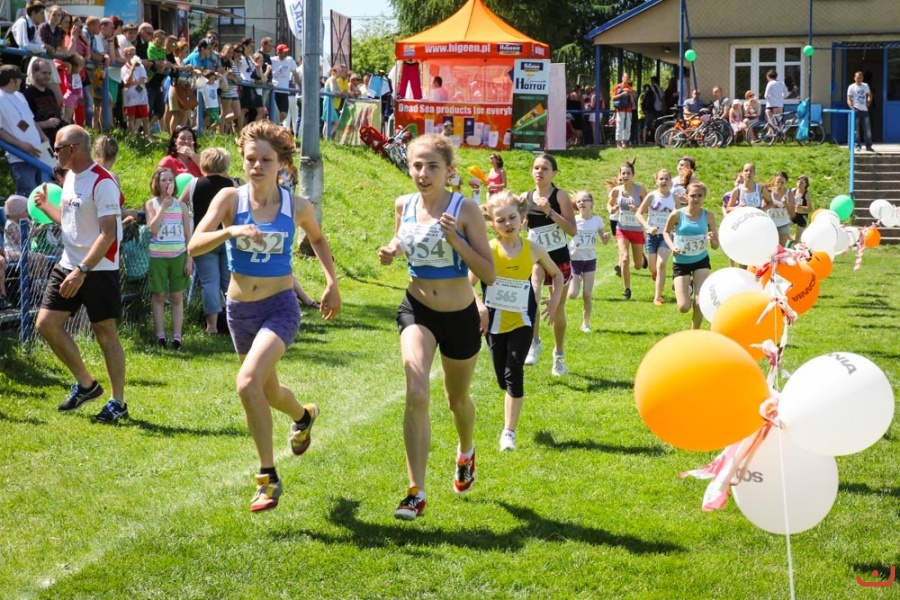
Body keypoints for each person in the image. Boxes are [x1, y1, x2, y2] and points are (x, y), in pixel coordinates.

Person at [188, 120, 341, 512]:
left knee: (246, 383)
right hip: (240, 311)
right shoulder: (229, 199)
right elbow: (195, 245)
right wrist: (231, 232)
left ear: (281, 164)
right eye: (251, 158)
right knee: (268, 392)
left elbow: (317, 238)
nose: (257, 166)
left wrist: (331, 282)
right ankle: (303, 416)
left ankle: (267, 477)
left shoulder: (297, 206)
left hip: (280, 308)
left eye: (266, 160)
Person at [376, 133, 494, 520]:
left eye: (432, 167)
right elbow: (401, 237)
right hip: (417, 309)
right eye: (417, 166)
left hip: (460, 316)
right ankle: (416, 491)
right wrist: (391, 251)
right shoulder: (404, 204)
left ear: (449, 171)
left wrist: (457, 240)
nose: (423, 174)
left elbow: (489, 273)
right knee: (416, 390)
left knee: (456, 400)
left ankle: (466, 451)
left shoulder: (466, 209)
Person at [32, 124, 127, 422]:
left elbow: (107, 234)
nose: (54, 153)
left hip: (98, 268)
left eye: (57, 148)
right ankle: (87, 384)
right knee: (46, 324)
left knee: (105, 333)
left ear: (72, 149)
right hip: (68, 264)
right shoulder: (71, 176)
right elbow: (70, 221)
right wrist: (46, 207)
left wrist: (83, 270)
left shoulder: (103, 182)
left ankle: (118, 403)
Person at [471, 191, 561, 452]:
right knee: (503, 379)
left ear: (522, 218)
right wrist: (480, 306)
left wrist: (554, 301)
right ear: (492, 224)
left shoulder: (533, 249)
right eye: (501, 220)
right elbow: (468, 283)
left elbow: (556, 274)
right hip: (494, 322)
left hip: (523, 318)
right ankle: (509, 405)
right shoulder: (488, 250)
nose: (508, 224)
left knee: (514, 373)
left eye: (512, 217)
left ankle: (508, 432)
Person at [523, 154, 576, 376]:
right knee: (533, 298)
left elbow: (572, 230)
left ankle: (559, 355)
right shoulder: (526, 197)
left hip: (559, 259)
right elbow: (520, 226)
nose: (539, 172)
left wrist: (550, 212)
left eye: (545, 168)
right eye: (536, 167)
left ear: (553, 173)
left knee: (557, 309)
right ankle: (534, 342)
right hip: (536, 258)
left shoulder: (559, 195)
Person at [179, 147, 234, 334]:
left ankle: (212, 326)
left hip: (203, 239)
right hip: (226, 237)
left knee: (209, 282)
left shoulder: (194, 183)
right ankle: (234, 321)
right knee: (229, 282)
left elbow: (180, 204)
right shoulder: (232, 185)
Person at [145, 168, 192, 349]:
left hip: (178, 255)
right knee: (159, 295)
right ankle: (160, 336)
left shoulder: (181, 206)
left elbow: (188, 234)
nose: (168, 183)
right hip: (158, 256)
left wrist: (189, 259)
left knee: (177, 296)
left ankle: (177, 338)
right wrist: (163, 207)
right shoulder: (151, 204)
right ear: (157, 183)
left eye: (171, 180)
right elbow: (153, 228)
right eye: (164, 180)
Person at [662, 181, 719, 329]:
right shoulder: (677, 214)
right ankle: (688, 287)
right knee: (683, 307)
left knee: (700, 303)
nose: (696, 199)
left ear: (704, 197)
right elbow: (666, 232)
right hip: (681, 262)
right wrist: (672, 247)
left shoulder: (709, 216)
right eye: (693, 195)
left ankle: (695, 333)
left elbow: (715, 245)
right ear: (686, 196)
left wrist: (713, 239)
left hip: (701, 260)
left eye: (700, 195)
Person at [0, 65, 51, 196]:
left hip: (39, 153)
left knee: (44, 194)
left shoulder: (20, 96)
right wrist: (21, 145)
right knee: (29, 196)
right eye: (19, 79)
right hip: (20, 157)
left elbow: (31, 121)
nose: (21, 82)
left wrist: (44, 137)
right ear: (12, 81)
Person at [567, 191, 609, 332]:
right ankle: (576, 279)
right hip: (575, 259)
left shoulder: (597, 220)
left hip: (590, 260)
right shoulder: (573, 220)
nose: (582, 203)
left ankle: (585, 324)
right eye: (579, 201)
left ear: (592, 203)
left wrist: (606, 238)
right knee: (572, 295)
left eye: (585, 200)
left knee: (587, 294)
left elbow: (603, 241)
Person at [607, 159, 648, 301]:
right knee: (624, 258)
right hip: (622, 229)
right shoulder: (616, 191)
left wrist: (638, 210)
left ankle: (641, 258)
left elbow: (648, 208)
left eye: (628, 173)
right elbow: (609, 204)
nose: (625, 176)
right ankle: (627, 290)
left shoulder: (640, 189)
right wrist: (611, 209)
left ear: (633, 175)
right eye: (623, 173)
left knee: (637, 266)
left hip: (637, 230)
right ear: (620, 175)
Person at [635, 169, 675, 306]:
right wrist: (648, 227)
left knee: (661, 264)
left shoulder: (674, 198)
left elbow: (680, 216)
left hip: (666, 235)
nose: (664, 181)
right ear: (656, 181)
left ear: (670, 181)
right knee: (653, 267)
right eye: (661, 179)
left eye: (666, 179)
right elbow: (639, 214)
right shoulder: (652, 196)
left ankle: (657, 297)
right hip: (651, 235)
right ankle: (655, 274)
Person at [23, 58, 64, 145]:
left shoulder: (50, 93)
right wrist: (45, 124)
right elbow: (24, 125)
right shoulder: (27, 96)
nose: (48, 76)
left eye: (49, 73)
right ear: (34, 73)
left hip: (55, 141)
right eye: (44, 73)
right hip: (39, 142)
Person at [121, 45, 150, 137]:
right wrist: (132, 69)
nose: (133, 56)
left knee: (145, 117)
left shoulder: (141, 66)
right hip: (130, 96)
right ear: (125, 55)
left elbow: (144, 79)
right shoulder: (124, 69)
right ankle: (132, 137)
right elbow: (127, 81)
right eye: (130, 54)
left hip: (141, 95)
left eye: (134, 54)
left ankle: (147, 136)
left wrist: (134, 82)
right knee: (131, 117)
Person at [271, 44, 301, 124]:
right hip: (274, 90)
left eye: (287, 51)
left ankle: (274, 125)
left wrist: (301, 86)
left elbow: (295, 74)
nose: (286, 53)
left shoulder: (290, 60)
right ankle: (272, 125)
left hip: (284, 91)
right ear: (278, 52)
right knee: (273, 113)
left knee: (284, 114)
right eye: (284, 52)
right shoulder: (272, 60)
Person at [847, 71, 874, 152]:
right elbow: (848, 99)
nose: (859, 79)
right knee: (856, 130)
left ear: (862, 78)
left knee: (867, 129)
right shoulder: (851, 87)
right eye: (857, 78)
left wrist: (868, 102)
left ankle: (868, 145)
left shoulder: (865, 86)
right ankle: (857, 145)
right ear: (854, 78)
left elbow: (870, 95)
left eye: (860, 78)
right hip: (856, 109)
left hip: (865, 110)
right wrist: (852, 108)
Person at [767, 171, 795, 247]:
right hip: (771, 224)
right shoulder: (769, 192)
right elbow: (763, 207)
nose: (779, 184)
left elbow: (792, 214)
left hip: (784, 224)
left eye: (782, 182)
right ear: (774, 181)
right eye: (777, 182)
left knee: (781, 247)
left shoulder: (789, 194)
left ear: (786, 183)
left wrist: (785, 203)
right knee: (770, 246)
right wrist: (770, 205)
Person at [611, 73, 635, 149]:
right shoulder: (617, 87)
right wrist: (622, 94)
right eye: (625, 77)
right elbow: (613, 98)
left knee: (628, 126)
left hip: (628, 110)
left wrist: (630, 93)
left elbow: (633, 102)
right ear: (622, 78)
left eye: (628, 78)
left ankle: (624, 143)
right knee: (619, 126)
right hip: (620, 109)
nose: (626, 79)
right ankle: (618, 144)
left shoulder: (630, 88)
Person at [791, 175, 812, 242]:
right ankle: (790, 239)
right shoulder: (793, 191)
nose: (799, 184)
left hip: (802, 217)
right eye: (798, 182)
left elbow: (810, 209)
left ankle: (793, 242)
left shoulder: (806, 194)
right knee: (783, 229)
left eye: (801, 183)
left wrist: (802, 208)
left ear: (806, 185)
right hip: (793, 214)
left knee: (796, 240)